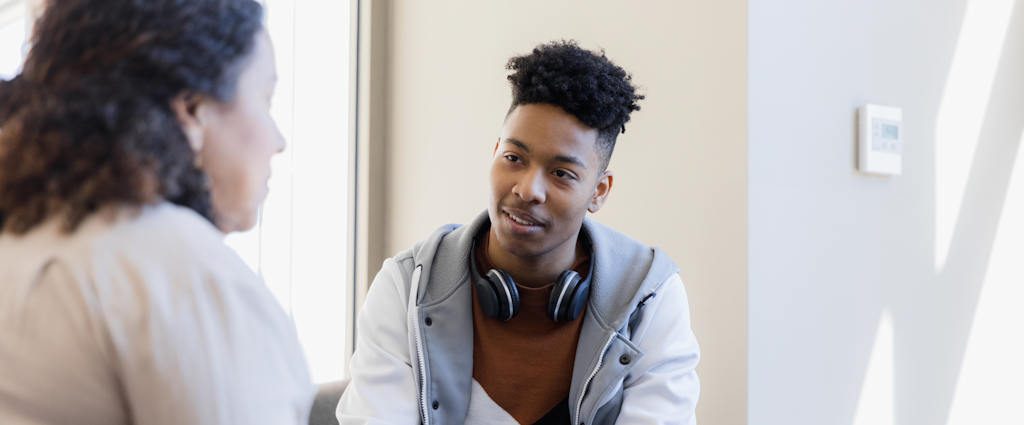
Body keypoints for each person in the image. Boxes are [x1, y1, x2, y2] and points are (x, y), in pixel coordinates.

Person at [337, 40, 700, 425]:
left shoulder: (649, 297)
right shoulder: (407, 285)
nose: (528, 190)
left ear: (599, 191)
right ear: (494, 152)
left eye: (561, 173)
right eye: (514, 158)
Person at [0, 1, 314, 424]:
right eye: (266, 97)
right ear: (192, 109)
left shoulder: (24, 242)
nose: (278, 141)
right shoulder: (173, 266)